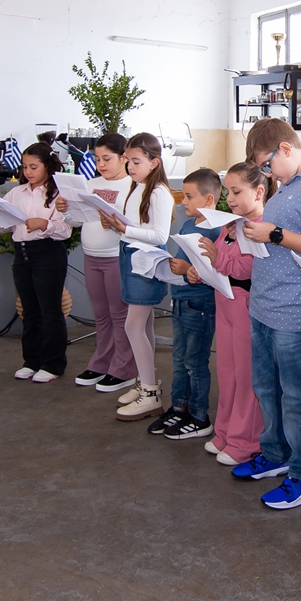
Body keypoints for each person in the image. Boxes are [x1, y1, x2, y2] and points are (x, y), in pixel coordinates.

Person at [230, 118, 301, 510]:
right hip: (264, 304)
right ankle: (275, 453)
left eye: (266, 165)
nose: (265, 173)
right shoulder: (290, 184)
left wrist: (275, 234)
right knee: (267, 388)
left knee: (298, 396)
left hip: (296, 311)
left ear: (284, 149)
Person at [196, 162, 269, 466]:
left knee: (246, 375)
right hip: (223, 302)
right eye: (228, 192)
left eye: (237, 191)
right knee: (227, 372)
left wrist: (218, 260)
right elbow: (218, 256)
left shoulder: (262, 227)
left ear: (259, 192)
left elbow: (249, 268)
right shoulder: (232, 225)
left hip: (244, 306)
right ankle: (225, 431)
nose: (231, 198)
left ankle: (245, 441)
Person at [0, 144, 71, 382]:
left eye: (34, 166)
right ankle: (31, 361)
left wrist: (45, 225)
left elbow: (65, 230)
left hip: (48, 253)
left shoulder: (56, 194)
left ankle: (53, 364)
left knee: (50, 310)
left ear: (48, 166)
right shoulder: (16, 193)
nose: (28, 172)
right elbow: (5, 226)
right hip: (22, 253)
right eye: (25, 167)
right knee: (29, 311)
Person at [101, 132, 175, 421]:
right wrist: (114, 224)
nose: (130, 167)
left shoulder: (159, 192)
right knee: (142, 326)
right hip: (131, 255)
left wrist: (124, 230)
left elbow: (159, 235)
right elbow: (134, 225)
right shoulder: (138, 187)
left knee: (133, 326)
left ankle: (151, 393)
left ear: (154, 162)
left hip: (146, 261)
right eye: (127, 161)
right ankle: (146, 381)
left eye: (136, 161)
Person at [148, 168, 222, 440]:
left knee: (195, 361)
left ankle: (200, 416)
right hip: (180, 301)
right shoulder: (189, 224)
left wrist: (185, 268)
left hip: (200, 304)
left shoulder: (216, 230)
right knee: (179, 359)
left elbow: (215, 271)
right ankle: (179, 407)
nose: (183, 202)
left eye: (189, 196)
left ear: (209, 199)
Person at [66, 134, 137, 394]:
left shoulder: (132, 186)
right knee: (101, 314)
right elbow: (75, 221)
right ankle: (101, 362)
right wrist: (65, 208)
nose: (101, 164)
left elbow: (138, 225)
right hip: (91, 255)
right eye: (97, 159)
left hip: (115, 256)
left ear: (124, 158)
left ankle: (124, 368)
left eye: (107, 159)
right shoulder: (89, 184)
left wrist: (116, 224)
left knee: (120, 315)